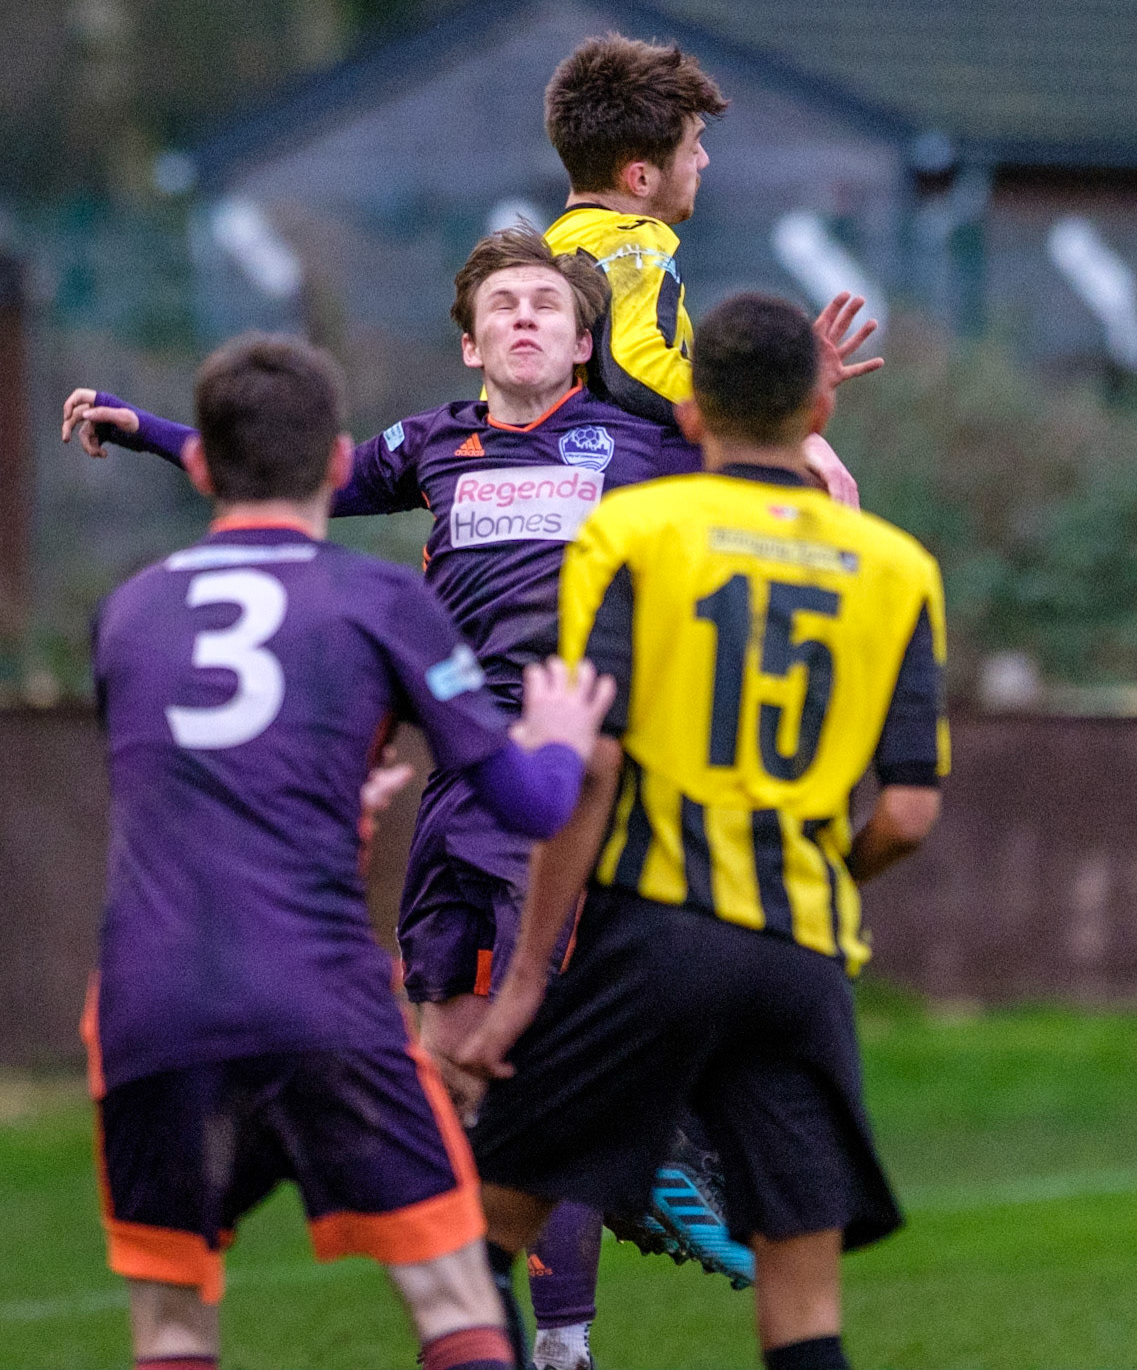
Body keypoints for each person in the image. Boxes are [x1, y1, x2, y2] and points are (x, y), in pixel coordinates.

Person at [62, 234, 879, 1370]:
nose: (529, 318)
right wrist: (145, 428)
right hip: (469, 773)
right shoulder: (433, 443)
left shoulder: (640, 441)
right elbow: (286, 471)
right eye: (504, 304)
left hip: (572, 762)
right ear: (471, 338)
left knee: (529, 1036)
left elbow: (755, 472)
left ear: (587, 343)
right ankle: (587, 1224)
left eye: (550, 303)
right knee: (455, 1061)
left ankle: (580, 1296)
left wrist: (804, 412)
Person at [81, 332, 616, 1370]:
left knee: (173, 1320)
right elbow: (528, 799)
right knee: (457, 1290)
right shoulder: (378, 601)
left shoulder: (129, 613)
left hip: (151, 1003)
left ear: (199, 467)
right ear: (337, 464)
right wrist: (556, 742)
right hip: (317, 995)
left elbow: (190, 785)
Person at [461, 292, 949, 1370]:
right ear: (821, 404)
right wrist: (830, 875)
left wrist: (533, 978)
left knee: (479, 1236)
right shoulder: (897, 565)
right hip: (801, 955)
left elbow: (593, 762)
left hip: (653, 937)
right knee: (802, 1294)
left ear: (690, 419)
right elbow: (910, 811)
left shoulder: (631, 531)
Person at [541, 32, 880, 504]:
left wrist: (786, 384)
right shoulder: (632, 237)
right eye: (692, 146)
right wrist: (765, 426)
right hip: (603, 498)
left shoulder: (545, 248)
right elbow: (634, 367)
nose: (703, 160)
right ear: (640, 177)